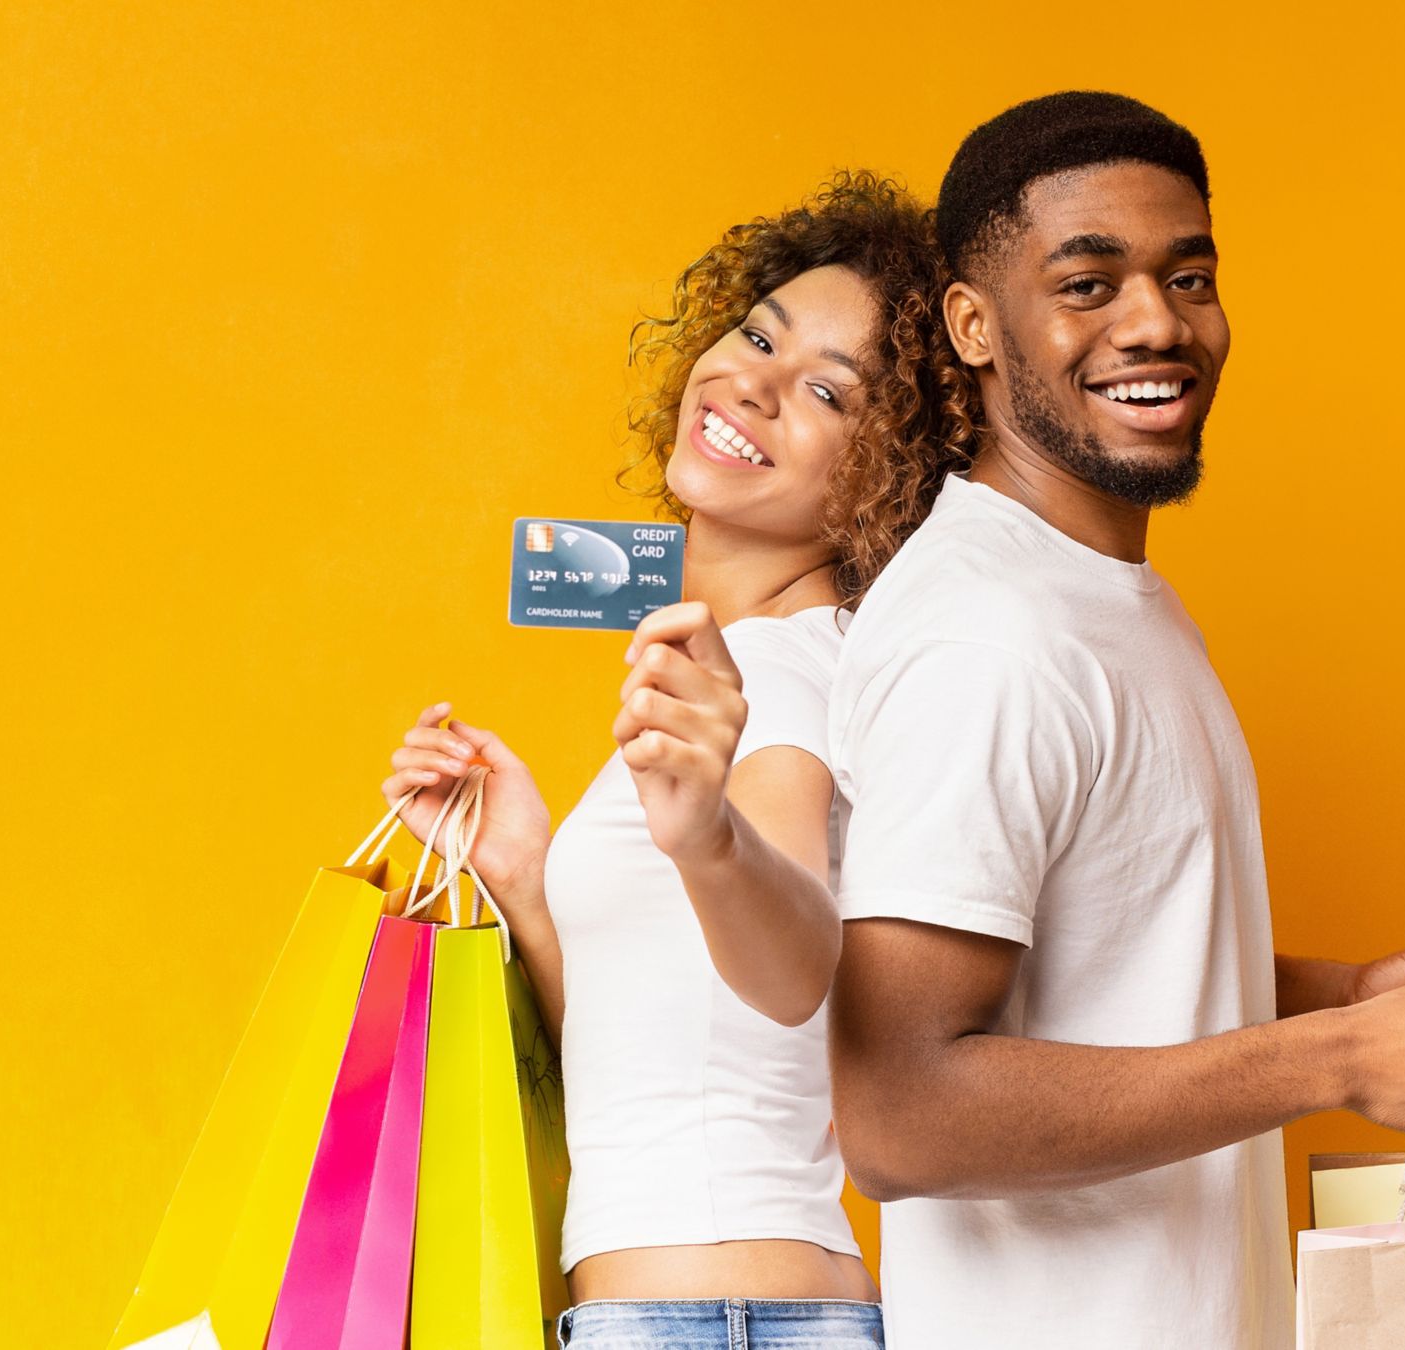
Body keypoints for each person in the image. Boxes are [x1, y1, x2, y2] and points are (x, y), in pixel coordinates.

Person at [822, 92, 1405, 1349]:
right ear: (973, 324)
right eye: (1089, 284)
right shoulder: (992, 637)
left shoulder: (1099, 600)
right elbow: (902, 1112)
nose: (1158, 324)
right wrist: (1339, 1062)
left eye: (1190, 274)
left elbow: (1096, 954)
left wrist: (1348, 1000)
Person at [379, 172, 972, 1350]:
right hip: (703, 1313)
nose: (750, 382)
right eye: (757, 335)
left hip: (716, 1324)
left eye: (824, 392)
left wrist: (706, 832)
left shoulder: (785, 674)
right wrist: (529, 880)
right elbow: (650, 1050)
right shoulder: (746, 662)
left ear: (887, 475)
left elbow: (797, 962)